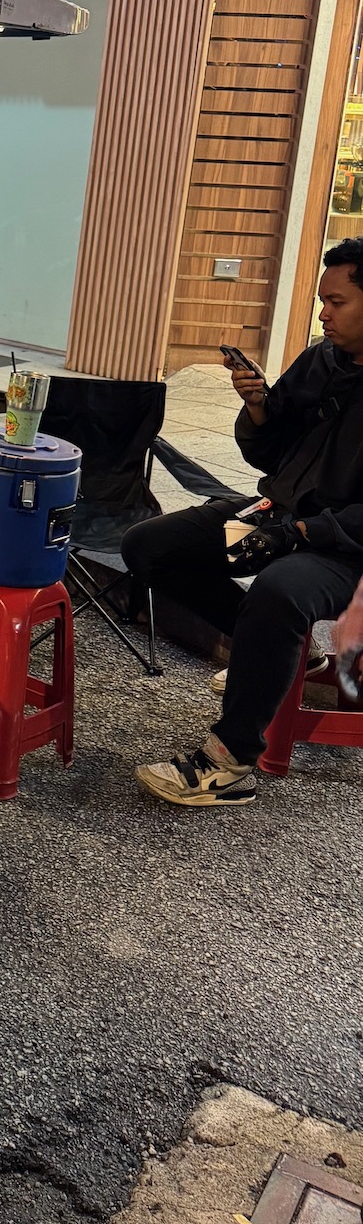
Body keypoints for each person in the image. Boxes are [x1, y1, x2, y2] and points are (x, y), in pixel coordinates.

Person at [125, 238, 363, 806]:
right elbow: (271, 455)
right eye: (320, 301)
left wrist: (302, 534)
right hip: (277, 514)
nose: (323, 313)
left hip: (344, 549)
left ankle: (228, 762)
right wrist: (258, 406)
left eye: (337, 302)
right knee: (148, 548)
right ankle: (281, 657)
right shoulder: (321, 360)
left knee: (282, 590)